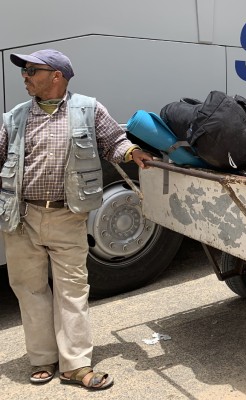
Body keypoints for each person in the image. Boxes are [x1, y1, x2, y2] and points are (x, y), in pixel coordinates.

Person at [0, 49, 153, 390]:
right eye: (23, 71)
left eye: (31, 71)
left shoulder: (88, 109)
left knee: (72, 291)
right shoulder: (14, 117)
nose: (24, 76)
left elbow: (114, 141)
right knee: (29, 289)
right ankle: (42, 359)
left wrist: (133, 153)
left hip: (67, 216)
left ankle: (74, 366)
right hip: (21, 216)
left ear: (56, 75)